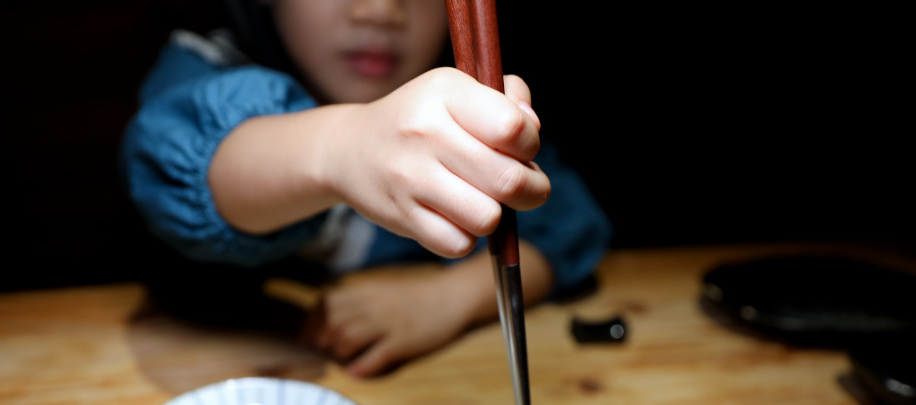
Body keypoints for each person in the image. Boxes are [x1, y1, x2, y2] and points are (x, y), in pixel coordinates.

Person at [121, 0, 610, 377]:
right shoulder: (206, 65)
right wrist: (339, 147)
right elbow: (178, 165)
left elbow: (566, 224)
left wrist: (448, 300)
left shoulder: (461, 92)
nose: (380, 10)